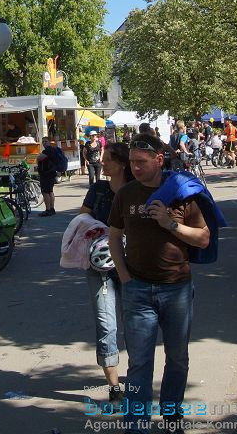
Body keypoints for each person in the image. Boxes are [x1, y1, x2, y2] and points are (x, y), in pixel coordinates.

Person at [108, 134, 210, 429]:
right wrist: (124, 275)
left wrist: (170, 223)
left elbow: (203, 238)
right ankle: (136, 423)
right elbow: (114, 235)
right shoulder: (125, 195)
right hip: (137, 288)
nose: (136, 168)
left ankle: (171, 414)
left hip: (176, 287)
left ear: (159, 160)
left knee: (177, 358)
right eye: (132, 162)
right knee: (139, 362)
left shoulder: (180, 192)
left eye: (141, 162)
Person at [78, 142, 132, 403]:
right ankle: (114, 386)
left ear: (122, 163)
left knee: (134, 324)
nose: (103, 161)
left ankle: (137, 377)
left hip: (134, 266)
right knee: (106, 324)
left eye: (108, 158)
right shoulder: (98, 189)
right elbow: (81, 220)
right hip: (100, 268)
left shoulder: (135, 191)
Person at [36, 138, 60, 216]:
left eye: (46, 141)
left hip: (46, 174)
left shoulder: (48, 150)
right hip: (51, 173)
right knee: (50, 191)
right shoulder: (52, 150)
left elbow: (39, 158)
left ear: (49, 142)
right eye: (43, 142)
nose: (44, 143)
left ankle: (48, 210)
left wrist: (38, 157)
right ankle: (52, 209)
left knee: (45, 192)